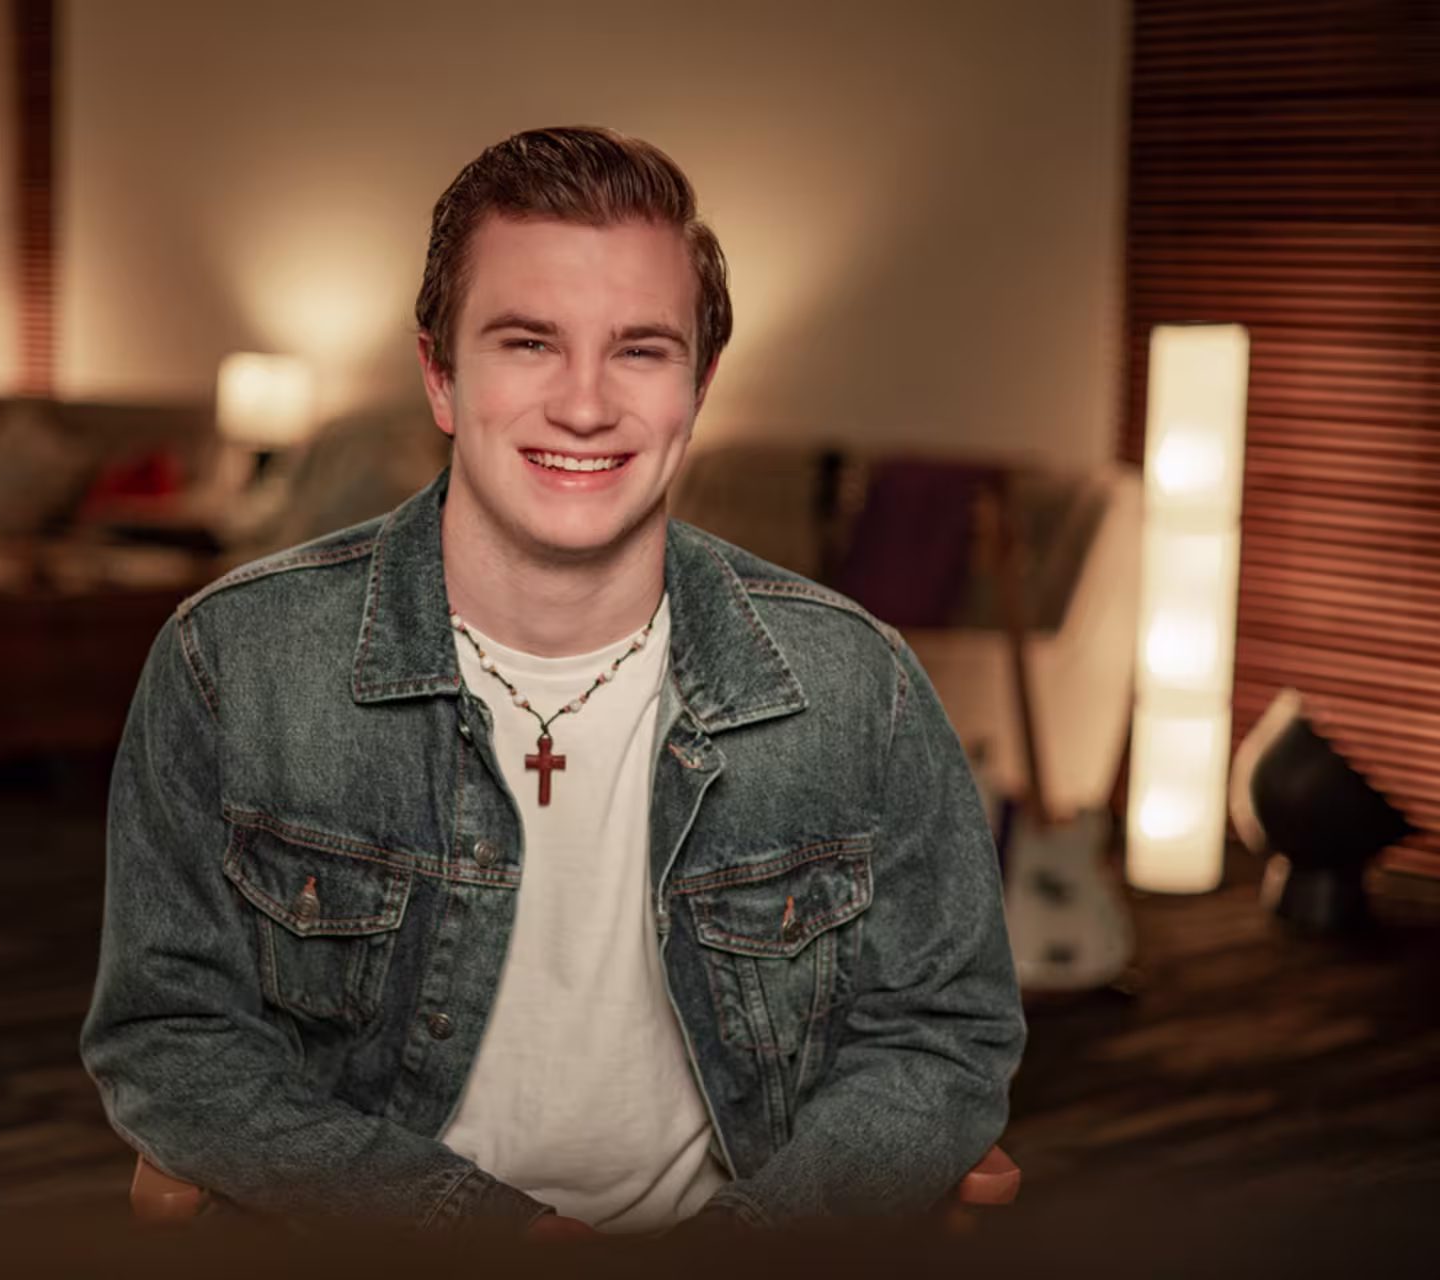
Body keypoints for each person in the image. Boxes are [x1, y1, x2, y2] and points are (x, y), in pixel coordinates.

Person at [80, 125, 1024, 1235]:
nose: (585, 404)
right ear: (441, 375)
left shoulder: (857, 684)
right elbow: (171, 1038)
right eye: (529, 342)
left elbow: (942, 1035)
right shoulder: (233, 664)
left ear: (700, 385)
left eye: (641, 350)